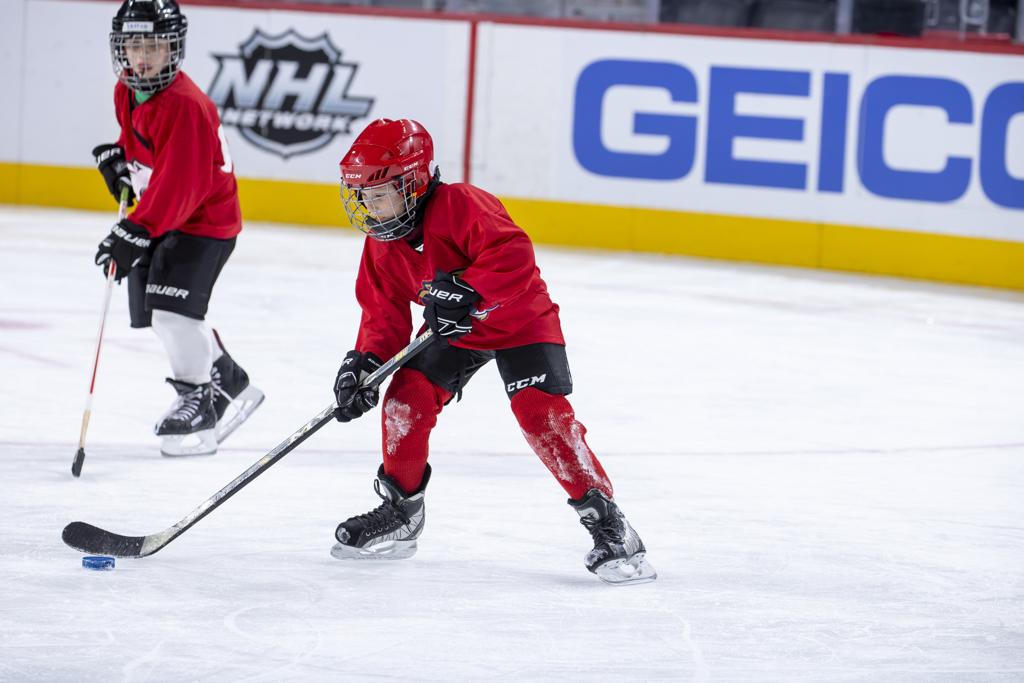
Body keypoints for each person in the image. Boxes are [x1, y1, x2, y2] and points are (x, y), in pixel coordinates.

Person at [330, 118, 656, 585]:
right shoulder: (382, 244)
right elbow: (382, 316)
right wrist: (365, 365)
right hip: (456, 332)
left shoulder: (461, 204)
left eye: (378, 194)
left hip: (520, 319)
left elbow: (514, 254)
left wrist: (470, 289)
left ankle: (611, 526)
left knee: (539, 413)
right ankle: (402, 513)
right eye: (362, 195)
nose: (368, 207)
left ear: (413, 183)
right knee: (405, 400)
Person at [92, 0, 263, 456]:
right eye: (134, 45)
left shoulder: (186, 105)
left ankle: (199, 400)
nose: (143, 56)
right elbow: (144, 148)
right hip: (166, 217)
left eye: (154, 45)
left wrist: (136, 230)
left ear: (174, 48)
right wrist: (121, 163)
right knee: (155, 312)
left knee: (173, 313)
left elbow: (182, 185)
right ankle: (227, 377)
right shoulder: (127, 91)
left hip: (205, 222)